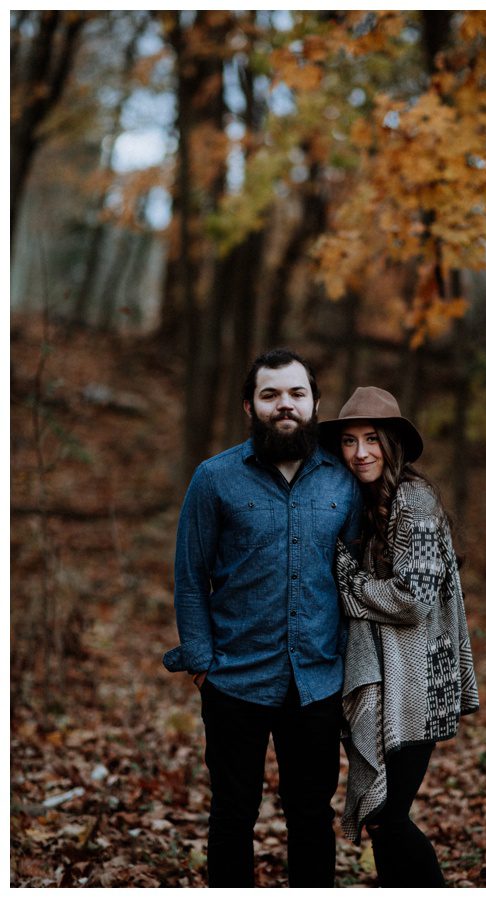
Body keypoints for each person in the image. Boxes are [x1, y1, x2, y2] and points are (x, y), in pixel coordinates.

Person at [163, 348, 360, 887]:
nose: (284, 405)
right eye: (270, 395)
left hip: (317, 681)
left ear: (316, 404)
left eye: (296, 394)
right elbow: (189, 574)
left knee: (312, 816)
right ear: (250, 407)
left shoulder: (343, 483)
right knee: (232, 814)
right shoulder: (214, 478)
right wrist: (202, 662)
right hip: (234, 680)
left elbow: (357, 579)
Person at [321, 386, 479, 887]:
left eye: (371, 439)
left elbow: (415, 598)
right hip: (391, 685)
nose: (360, 452)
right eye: (348, 441)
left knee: (389, 817)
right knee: (382, 822)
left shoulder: (414, 499)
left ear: (392, 444)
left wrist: (349, 580)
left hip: (416, 689)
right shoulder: (364, 504)